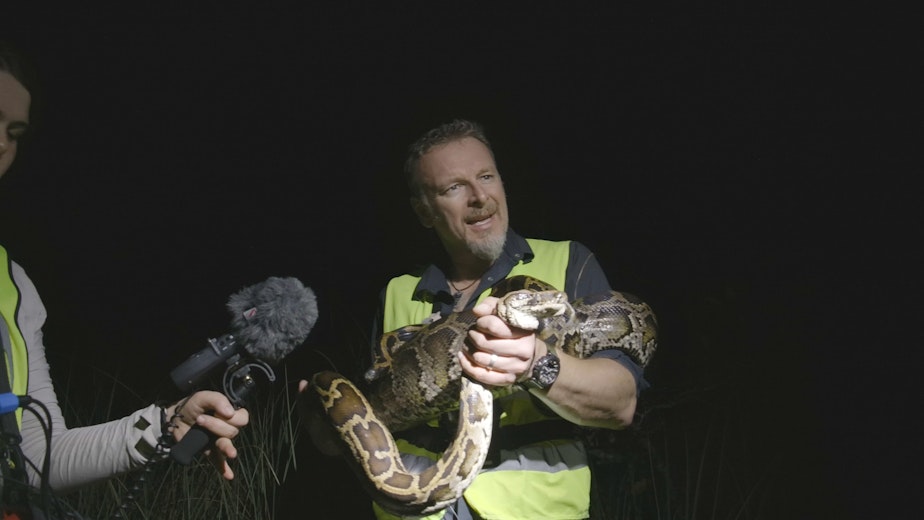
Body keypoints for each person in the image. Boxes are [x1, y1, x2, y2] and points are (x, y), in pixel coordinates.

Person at [304, 118, 656, 520]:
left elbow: (620, 403)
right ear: (424, 211)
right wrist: (323, 424)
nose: (479, 196)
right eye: (454, 188)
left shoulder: (567, 263)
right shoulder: (398, 292)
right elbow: (369, 419)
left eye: (486, 176)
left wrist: (535, 363)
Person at [0, 41, 249, 517]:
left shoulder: (12, 284)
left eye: (15, 131)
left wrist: (165, 423)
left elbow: (38, 459)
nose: (3, 144)